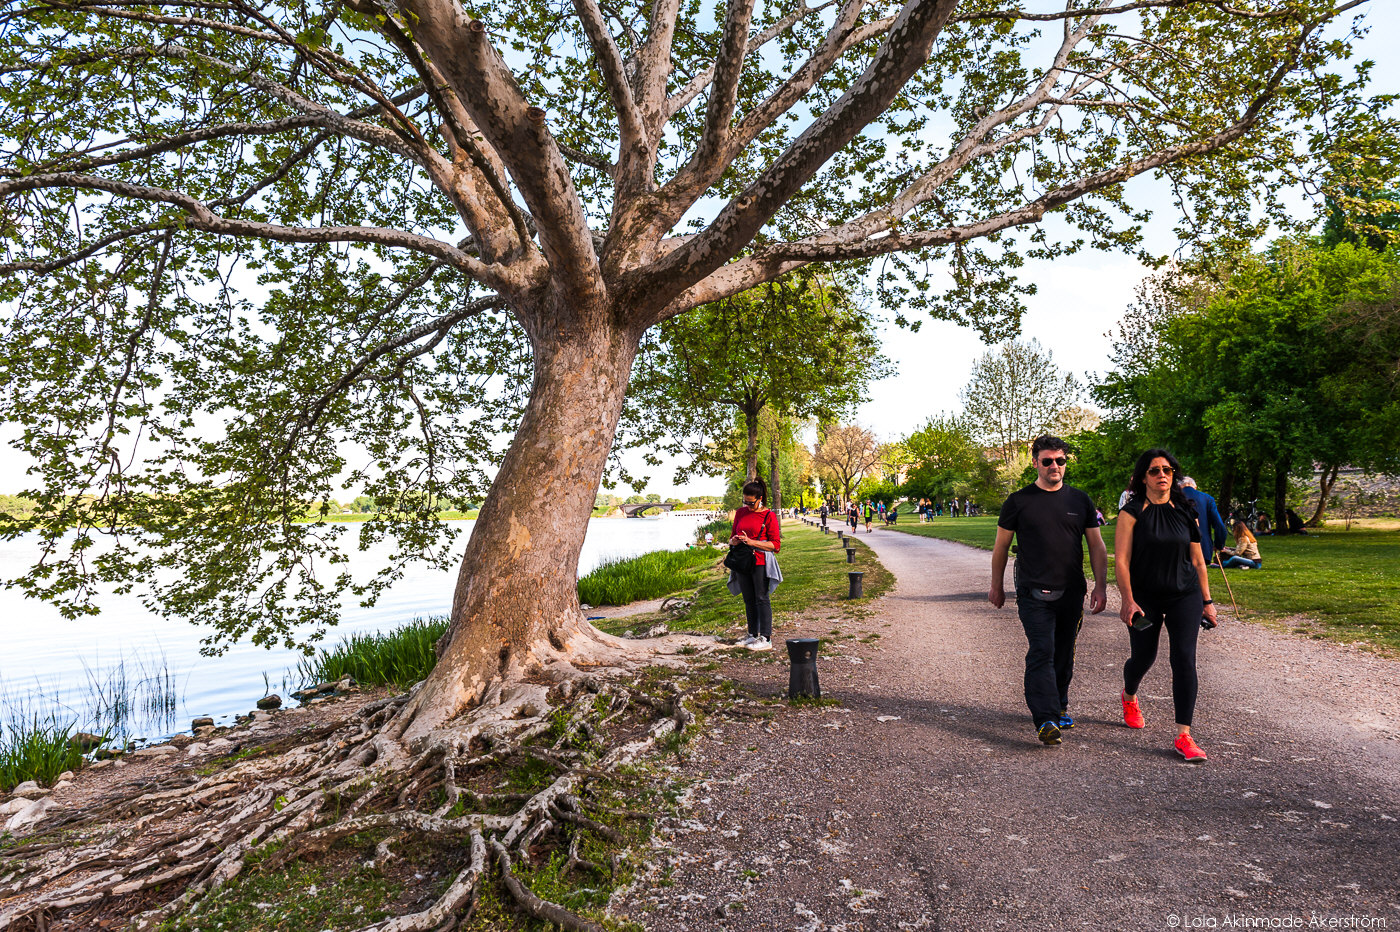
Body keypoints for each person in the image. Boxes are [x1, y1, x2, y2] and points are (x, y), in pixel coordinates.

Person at [989, 435, 1109, 747]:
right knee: (1041, 650)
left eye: (1060, 461)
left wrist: (1100, 586)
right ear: (1035, 463)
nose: (1054, 466)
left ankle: (1060, 705)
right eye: (1047, 461)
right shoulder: (1018, 501)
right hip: (1032, 591)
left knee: (1064, 653)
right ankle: (1045, 719)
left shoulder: (1080, 500)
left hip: (1071, 592)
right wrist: (996, 585)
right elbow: (1001, 547)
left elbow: (1096, 545)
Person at [1115, 448, 1218, 763]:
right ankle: (1129, 695)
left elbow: (1198, 560)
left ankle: (1184, 735)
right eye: (1155, 470)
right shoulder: (1131, 512)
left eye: (1168, 470)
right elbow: (1121, 559)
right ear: (1142, 477)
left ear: (1174, 475)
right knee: (1144, 657)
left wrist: (1207, 601)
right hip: (1145, 596)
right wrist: (1127, 599)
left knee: (1184, 659)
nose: (1162, 475)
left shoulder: (1186, 509)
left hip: (1183, 594)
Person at [729, 478, 781, 651]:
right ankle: (752, 635)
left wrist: (751, 542)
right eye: (745, 502)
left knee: (761, 598)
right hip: (743, 561)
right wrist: (735, 541)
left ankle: (766, 638)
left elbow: (775, 545)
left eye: (751, 503)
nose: (748, 506)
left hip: (760, 561)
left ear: (760, 499)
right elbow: (731, 538)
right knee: (748, 599)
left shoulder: (769, 516)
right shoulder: (740, 513)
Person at [1180, 476, 1228, 562]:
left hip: (1179, 548)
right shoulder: (1207, 499)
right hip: (1203, 548)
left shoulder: (1173, 498)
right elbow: (1219, 525)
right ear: (1195, 487)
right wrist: (1219, 544)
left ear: (1179, 487)